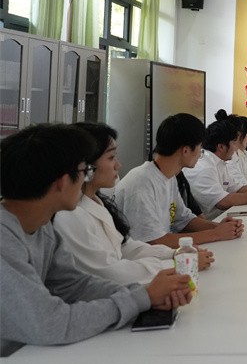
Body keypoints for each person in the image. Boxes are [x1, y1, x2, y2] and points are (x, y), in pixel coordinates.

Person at [1, 123, 192, 357]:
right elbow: (51, 323)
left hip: (30, 356)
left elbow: (74, 286)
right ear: (62, 181)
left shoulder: (41, 228)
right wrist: (142, 297)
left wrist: (146, 297)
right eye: (85, 171)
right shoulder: (5, 239)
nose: (86, 178)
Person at [54, 122, 215, 285]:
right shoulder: (71, 216)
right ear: (87, 166)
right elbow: (111, 273)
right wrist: (179, 264)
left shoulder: (96, 203)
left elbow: (126, 247)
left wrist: (175, 254)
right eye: (111, 157)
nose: (118, 165)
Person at [115, 113, 245, 248]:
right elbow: (153, 241)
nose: (200, 154)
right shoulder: (141, 182)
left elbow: (183, 219)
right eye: (200, 147)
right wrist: (215, 234)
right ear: (186, 150)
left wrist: (218, 227)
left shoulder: (169, 177)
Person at [182, 119, 247, 219]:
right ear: (221, 147)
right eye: (234, 143)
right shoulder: (205, 167)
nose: (235, 148)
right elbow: (223, 202)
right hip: (213, 220)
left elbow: (237, 188)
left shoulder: (220, 162)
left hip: (221, 216)